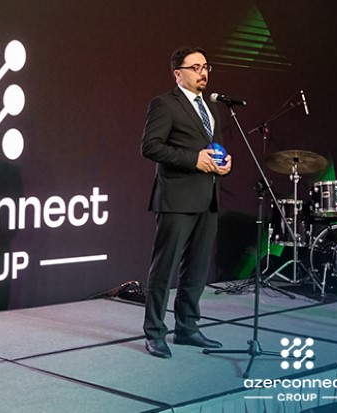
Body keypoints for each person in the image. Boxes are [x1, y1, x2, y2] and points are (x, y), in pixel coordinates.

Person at [140, 46, 232, 359]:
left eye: (206, 67)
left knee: (197, 269)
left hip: (208, 198)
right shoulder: (164, 104)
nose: (202, 73)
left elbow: (212, 147)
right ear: (178, 74)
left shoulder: (211, 106)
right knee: (164, 268)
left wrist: (223, 162)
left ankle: (187, 327)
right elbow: (151, 146)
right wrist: (193, 160)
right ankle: (155, 332)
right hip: (176, 198)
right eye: (195, 67)